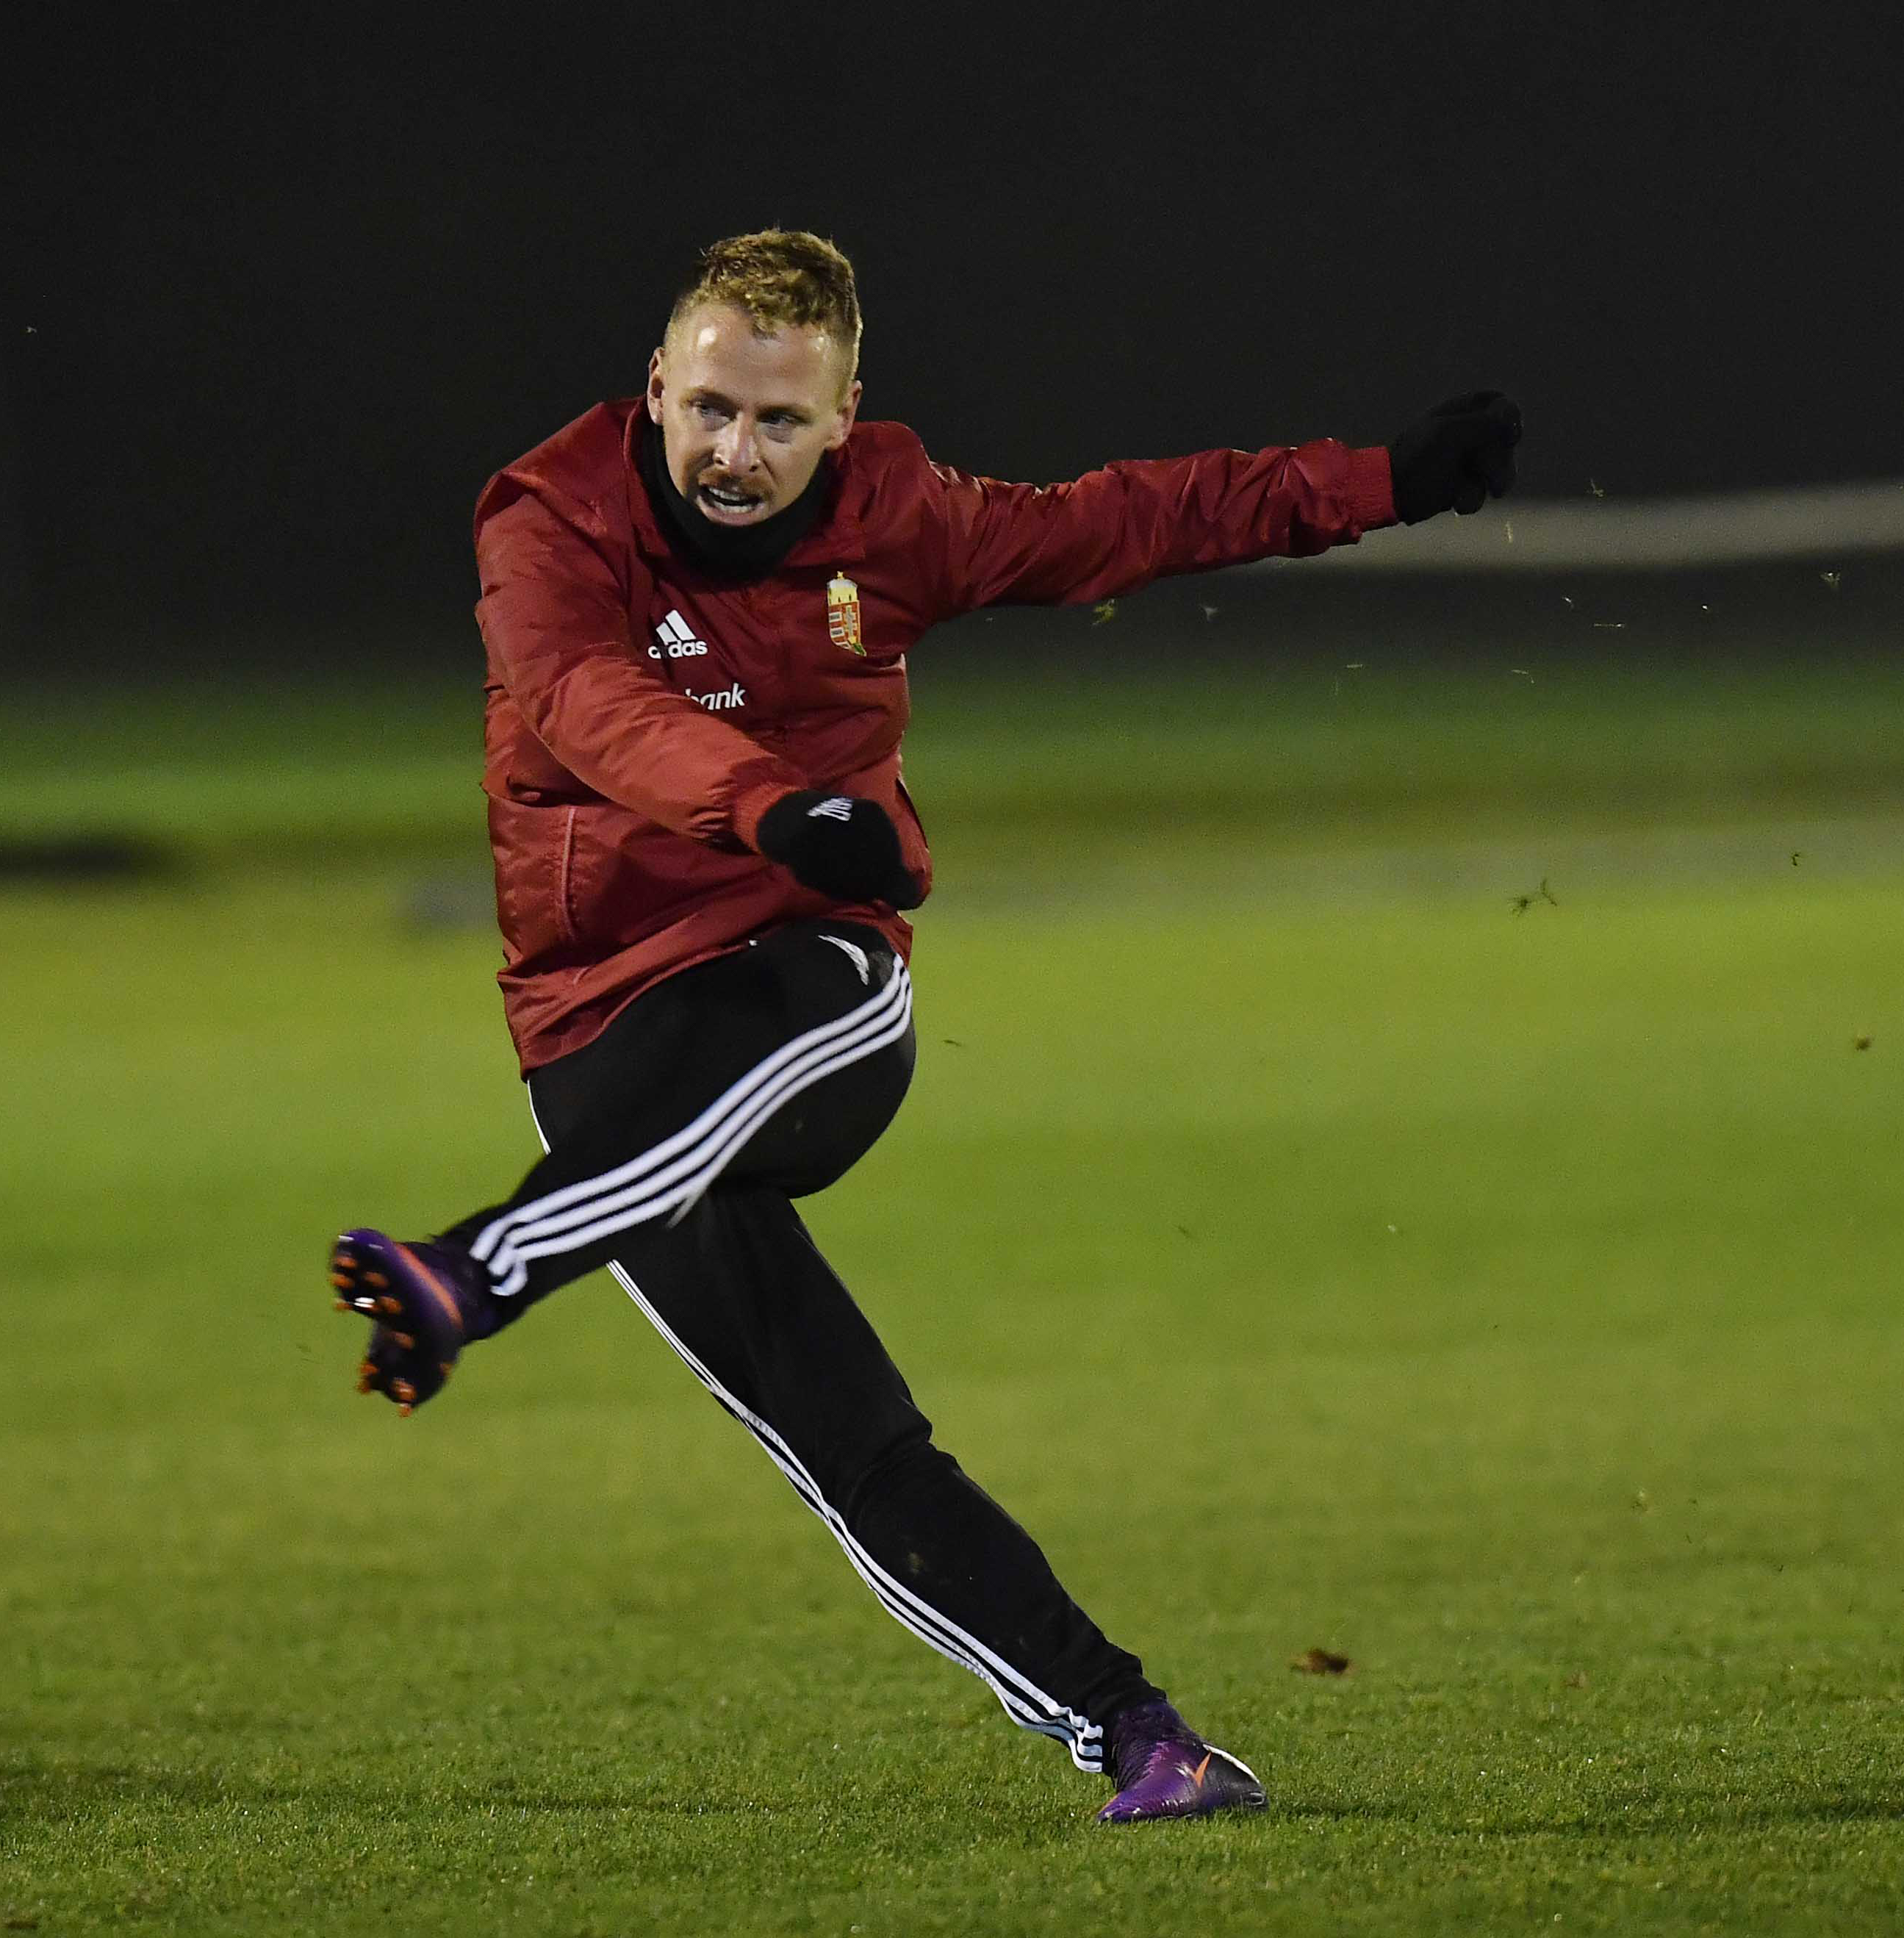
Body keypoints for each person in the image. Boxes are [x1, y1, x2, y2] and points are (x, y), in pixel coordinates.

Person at [328, 228, 1519, 1823]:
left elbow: (1122, 521)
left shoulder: (894, 518)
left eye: (778, 421)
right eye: (708, 409)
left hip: (807, 976)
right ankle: (1141, 1741)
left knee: (803, 1008)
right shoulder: (550, 519)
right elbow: (583, 707)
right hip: (601, 1034)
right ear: (657, 385)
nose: (734, 453)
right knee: (857, 1447)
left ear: (842, 419)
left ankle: (480, 1268)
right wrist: (772, 804)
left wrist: (1379, 482)